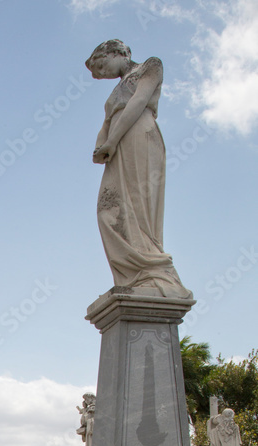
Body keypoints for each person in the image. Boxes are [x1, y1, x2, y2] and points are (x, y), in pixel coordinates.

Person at [86, 40, 191, 298]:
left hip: (137, 135)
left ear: (117, 52)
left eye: (102, 67)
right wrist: (101, 144)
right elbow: (107, 120)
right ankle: (132, 274)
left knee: (137, 203)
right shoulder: (116, 89)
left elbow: (139, 101)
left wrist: (112, 141)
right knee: (107, 212)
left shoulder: (150, 66)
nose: (103, 74)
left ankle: (151, 270)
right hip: (116, 145)